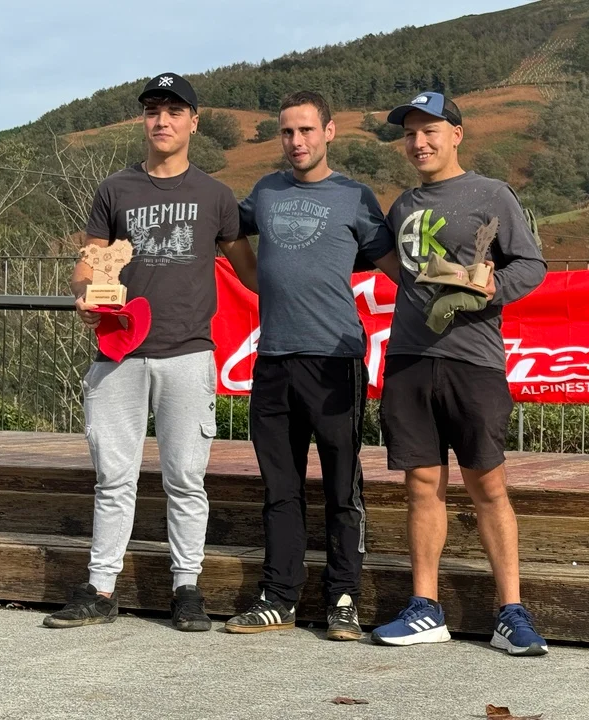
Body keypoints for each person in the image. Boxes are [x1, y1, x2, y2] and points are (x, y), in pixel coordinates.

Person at [43, 72, 258, 632]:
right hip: (118, 353)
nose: (161, 121)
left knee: (185, 478)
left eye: (173, 111)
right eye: (152, 111)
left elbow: (252, 273)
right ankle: (100, 588)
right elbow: (88, 264)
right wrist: (84, 293)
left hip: (188, 353)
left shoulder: (216, 196)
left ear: (194, 122)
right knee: (114, 478)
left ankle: (187, 589)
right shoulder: (115, 189)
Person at [369, 92, 549, 656]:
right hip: (409, 360)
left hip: (474, 362)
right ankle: (425, 608)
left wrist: (492, 289)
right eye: (410, 133)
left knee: (487, 485)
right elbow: (396, 266)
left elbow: (532, 265)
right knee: (421, 486)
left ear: (456, 135)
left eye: (430, 131)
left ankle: (511, 612)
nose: (418, 142)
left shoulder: (491, 194)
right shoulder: (402, 205)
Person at [223, 91, 400, 641]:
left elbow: (399, 266)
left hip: (335, 363)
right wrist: (249, 273)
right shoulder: (265, 191)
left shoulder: (355, 196)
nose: (296, 141)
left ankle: (344, 600)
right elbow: (224, 226)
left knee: (343, 488)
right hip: (273, 360)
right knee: (280, 488)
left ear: (329, 131)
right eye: (286, 132)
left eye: (305, 130)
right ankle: (279, 598)